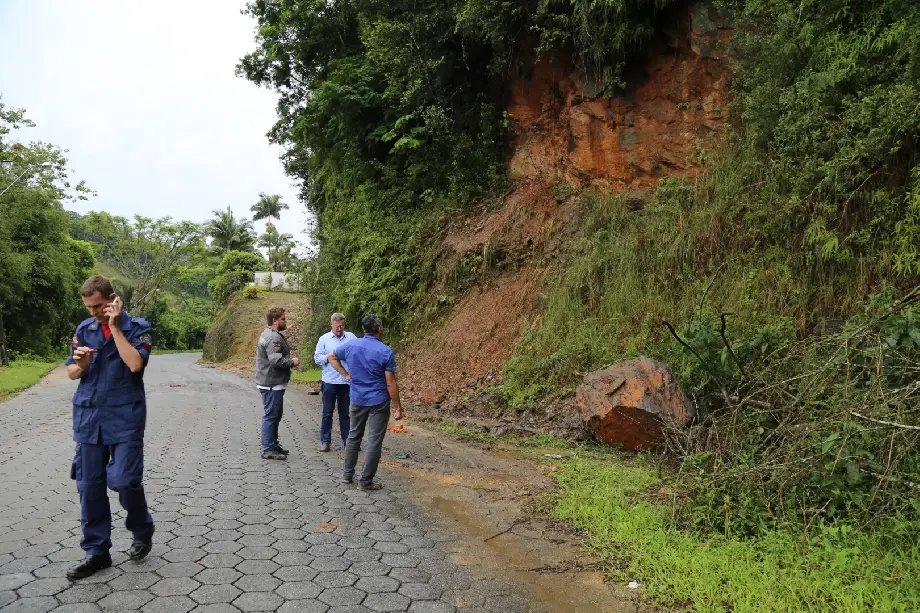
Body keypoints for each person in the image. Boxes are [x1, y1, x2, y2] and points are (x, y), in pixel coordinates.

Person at [65, 275, 155, 580]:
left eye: (99, 306)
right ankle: (97, 551)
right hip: (89, 418)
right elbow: (72, 372)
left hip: (125, 417)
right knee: (89, 486)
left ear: (113, 298)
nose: (94, 313)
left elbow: (135, 364)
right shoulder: (84, 329)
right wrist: (82, 364)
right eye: (89, 307)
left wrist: (115, 327)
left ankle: (142, 527)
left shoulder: (136, 327)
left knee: (125, 480)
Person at [327, 314, 403, 491]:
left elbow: (331, 357)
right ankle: (365, 481)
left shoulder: (352, 345)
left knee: (354, 435)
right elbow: (390, 382)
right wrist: (397, 407)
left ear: (364, 329)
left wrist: (345, 374)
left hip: (357, 398)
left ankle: (347, 475)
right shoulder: (385, 351)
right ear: (379, 329)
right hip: (379, 401)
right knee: (374, 441)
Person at [255, 306, 300, 460]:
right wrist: (292, 362)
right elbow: (275, 361)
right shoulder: (273, 338)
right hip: (271, 383)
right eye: (283, 319)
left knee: (275, 414)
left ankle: (273, 444)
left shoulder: (268, 333)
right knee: (271, 416)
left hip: (270, 381)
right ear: (275, 321)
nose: (285, 321)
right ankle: (268, 448)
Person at [313, 313, 356, 452]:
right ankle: (325, 441)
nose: (339, 329)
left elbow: (358, 353)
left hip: (346, 382)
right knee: (327, 412)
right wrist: (328, 357)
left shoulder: (351, 337)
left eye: (341, 326)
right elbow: (317, 358)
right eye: (337, 326)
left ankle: (347, 441)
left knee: (345, 413)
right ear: (331, 324)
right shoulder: (324, 339)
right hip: (329, 381)